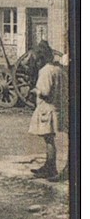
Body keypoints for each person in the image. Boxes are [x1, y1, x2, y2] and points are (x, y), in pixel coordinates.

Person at [28, 42, 67, 180]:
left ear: (41, 58)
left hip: (47, 110)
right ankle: (48, 166)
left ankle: (51, 168)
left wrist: (35, 91)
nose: (37, 62)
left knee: (49, 140)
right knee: (49, 139)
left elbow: (44, 92)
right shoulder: (59, 70)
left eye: (38, 59)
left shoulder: (45, 71)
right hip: (56, 108)